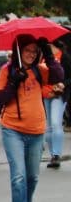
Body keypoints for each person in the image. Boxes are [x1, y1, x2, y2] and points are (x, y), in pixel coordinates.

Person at [0, 35, 63, 202]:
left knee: (32, 175)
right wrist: (13, 82)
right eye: (27, 50)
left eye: (35, 51)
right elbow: (0, 98)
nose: (31, 55)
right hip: (12, 129)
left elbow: (58, 75)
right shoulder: (7, 70)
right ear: (19, 50)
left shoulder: (39, 70)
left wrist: (48, 53)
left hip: (37, 129)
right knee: (19, 175)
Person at [42, 41, 66, 169]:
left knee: (56, 123)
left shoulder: (64, 56)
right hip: (45, 93)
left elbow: (69, 76)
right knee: (49, 125)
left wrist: (62, 84)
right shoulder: (42, 56)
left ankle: (56, 154)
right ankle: (52, 155)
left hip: (59, 94)